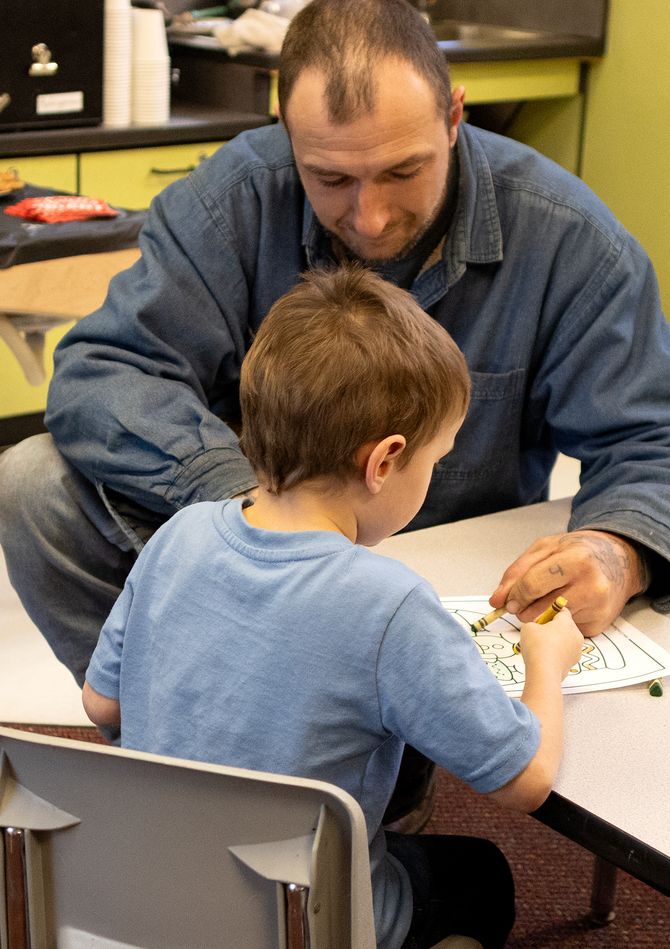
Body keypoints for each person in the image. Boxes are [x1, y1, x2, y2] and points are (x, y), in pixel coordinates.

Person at [0, 0, 670, 819]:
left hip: (439, 567)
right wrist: (257, 509)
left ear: (455, 114)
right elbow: (108, 369)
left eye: (401, 171)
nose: (371, 216)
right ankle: (174, 760)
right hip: (252, 529)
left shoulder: (566, 238)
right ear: (284, 129)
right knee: (31, 484)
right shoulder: (231, 200)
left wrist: (617, 551)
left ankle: (378, 770)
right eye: (330, 179)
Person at [82, 267, 585, 949]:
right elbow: (523, 782)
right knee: (479, 874)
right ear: (384, 461)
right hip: (304, 921)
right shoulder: (391, 605)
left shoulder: (181, 534)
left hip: (155, 900)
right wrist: (545, 664)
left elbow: (101, 707)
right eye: (434, 460)